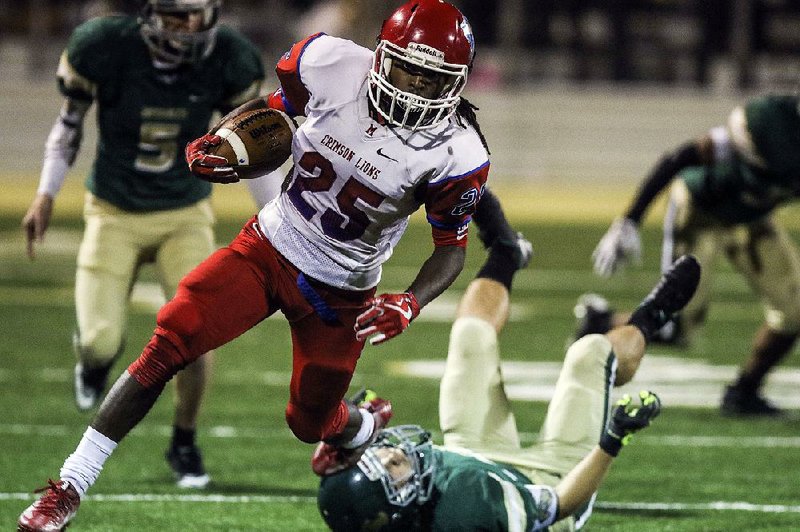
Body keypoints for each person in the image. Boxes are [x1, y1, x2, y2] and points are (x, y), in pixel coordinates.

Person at [17, 1, 519, 530]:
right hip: (267, 248)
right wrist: (228, 139)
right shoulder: (331, 64)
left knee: (310, 422)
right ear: (380, 55)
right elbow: (274, 109)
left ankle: (363, 422)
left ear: (457, 83)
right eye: (406, 69)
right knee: (170, 339)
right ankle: (69, 486)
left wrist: (410, 302)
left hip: (341, 291)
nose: (414, 87)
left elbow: (451, 248)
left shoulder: (457, 153)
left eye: (431, 78)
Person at [19, 0, 268, 490]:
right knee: (99, 341)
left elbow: (249, 149)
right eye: (175, 13)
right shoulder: (104, 46)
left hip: (185, 214)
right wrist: (47, 192)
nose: (185, 24)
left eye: (193, 13)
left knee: (197, 336)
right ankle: (91, 366)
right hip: (114, 212)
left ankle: (184, 440)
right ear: (151, 11)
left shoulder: (231, 57)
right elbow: (69, 122)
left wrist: (277, 218)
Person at [317, 251, 701, 531]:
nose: (396, 452)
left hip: (470, 453)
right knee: (591, 353)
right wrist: (614, 438)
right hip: (550, 479)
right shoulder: (469, 514)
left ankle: (503, 252)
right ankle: (652, 319)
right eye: (394, 467)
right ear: (398, 509)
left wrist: (343, 438)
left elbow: (345, 478)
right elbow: (562, 504)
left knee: (470, 337)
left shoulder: (393, 505)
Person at [589, 94, 800, 417]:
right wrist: (630, 220)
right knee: (677, 329)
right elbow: (683, 156)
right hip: (701, 210)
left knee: (794, 308)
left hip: (750, 217)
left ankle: (744, 393)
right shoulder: (770, 123)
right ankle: (600, 323)